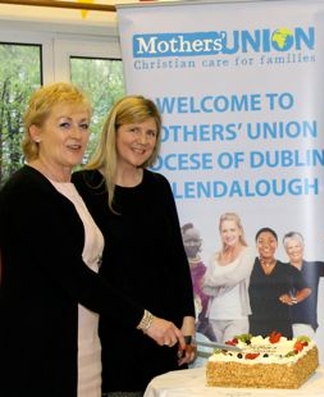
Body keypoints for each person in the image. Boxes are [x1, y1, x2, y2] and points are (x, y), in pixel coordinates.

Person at [0, 83, 185, 397]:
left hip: (82, 351)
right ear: (36, 132)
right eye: (64, 124)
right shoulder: (26, 191)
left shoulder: (69, 188)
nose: (77, 135)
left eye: (83, 125)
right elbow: (74, 276)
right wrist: (147, 321)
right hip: (41, 358)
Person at [72, 95, 196, 396]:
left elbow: (176, 260)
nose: (142, 140)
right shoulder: (83, 186)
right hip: (113, 338)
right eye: (134, 130)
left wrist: (188, 324)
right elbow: (80, 273)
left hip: (167, 339)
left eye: (150, 133)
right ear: (113, 132)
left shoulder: (159, 187)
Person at [248, 227, 311, 339]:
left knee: (283, 355)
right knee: (255, 355)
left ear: (276, 245)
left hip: (281, 327)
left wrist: (293, 299)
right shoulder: (248, 267)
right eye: (261, 241)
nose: (266, 245)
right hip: (254, 325)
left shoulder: (287, 269)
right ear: (256, 245)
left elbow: (306, 289)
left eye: (271, 241)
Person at [201, 212, 254, 343]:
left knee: (230, 359)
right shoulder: (214, 256)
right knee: (216, 361)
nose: (228, 234)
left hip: (236, 318)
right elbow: (204, 287)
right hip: (214, 317)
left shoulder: (248, 252)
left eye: (232, 230)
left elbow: (235, 277)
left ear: (240, 231)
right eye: (224, 231)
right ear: (220, 233)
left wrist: (213, 282)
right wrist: (217, 283)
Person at [282, 231, 324, 339]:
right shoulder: (281, 270)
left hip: (306, 324)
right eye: (290, 247)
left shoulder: (313, 267)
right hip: (284, 324)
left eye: (297, 246)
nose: (294, 250)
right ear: (286, 250)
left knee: (305, 355)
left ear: (303, 246)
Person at [181, 222, 215, 341]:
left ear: (200, 242)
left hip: (202, 327)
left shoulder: (206, 271)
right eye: (188, 241)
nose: (192, 244)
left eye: (195, 240)